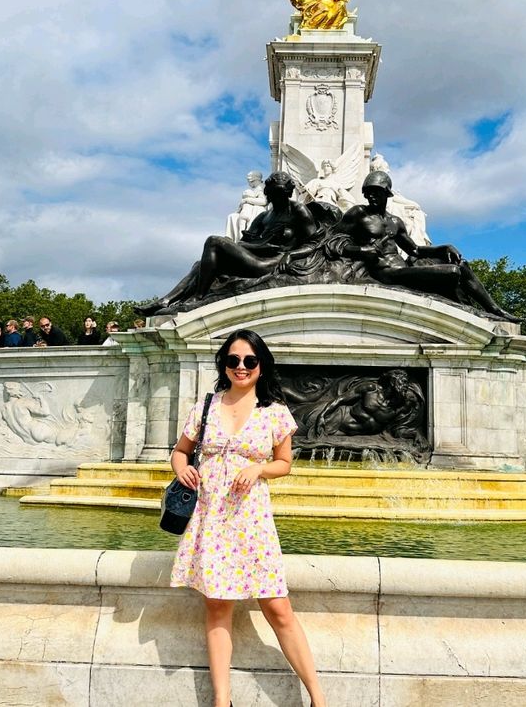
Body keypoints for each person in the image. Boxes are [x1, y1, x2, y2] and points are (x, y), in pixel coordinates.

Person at [170, 329, 326, 707]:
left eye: (249, 361)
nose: (241, 367)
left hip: (251, 519)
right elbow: (180, 451)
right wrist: (181, 470)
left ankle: (319, 698)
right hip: (211, 516)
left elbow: (284, 463)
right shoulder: (205, 406)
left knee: (278, 608)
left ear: (261, 366)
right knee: (217, 606)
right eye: (233, 360)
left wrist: (258, 469)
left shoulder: (275, 412)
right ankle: (222, 701)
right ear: (224, 364)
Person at [332, 171, 518, 320]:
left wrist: (442, 248)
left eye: (377, 192)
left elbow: (414, 250)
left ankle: (495, 310)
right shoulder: (358, 213)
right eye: (369, 192)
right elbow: (333, 240)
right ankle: (485, 312)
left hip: (402, 268)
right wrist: (361, 251)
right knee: (453, 272)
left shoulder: (395, 222)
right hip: (385, 272)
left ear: (387, 193)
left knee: (462, 265)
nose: (372, 196)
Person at [138, 171, 318, 315]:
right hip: (254, 258)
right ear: (268, 193)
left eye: (281, 193)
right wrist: (260, 246)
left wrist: (290, 254)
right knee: (200, 264)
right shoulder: (265, 217)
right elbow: (242, 244)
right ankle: (166, 301)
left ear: (287, 193)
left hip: (271, 263)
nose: (278, 198)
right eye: (274, 193)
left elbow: (314, 243)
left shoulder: (298, 210)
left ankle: (198, 298)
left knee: (214, 241)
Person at [225, 170, 268, 242]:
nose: (248, 183)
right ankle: (230, 238)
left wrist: (247, 200)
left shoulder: (261, 187)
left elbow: (263, 201)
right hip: (248, 210)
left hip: (257, 210)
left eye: (248, 181)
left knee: (244, 217)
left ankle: (244, 237)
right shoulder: (255, 189)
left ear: (252, 180)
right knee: (232, 216)